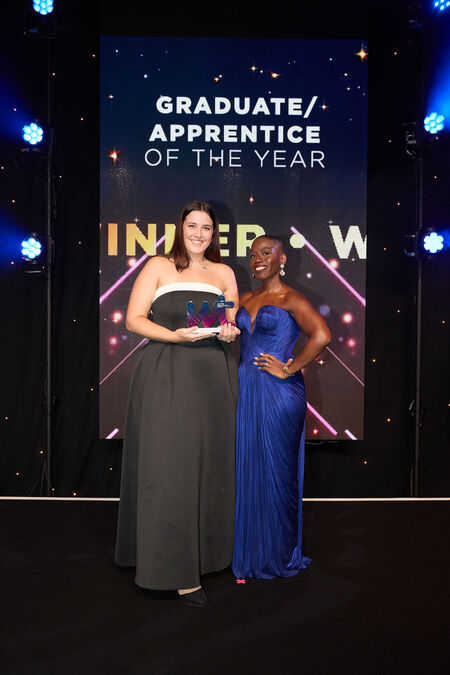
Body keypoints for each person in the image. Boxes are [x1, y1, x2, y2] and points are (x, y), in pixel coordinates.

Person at [115, 200, 239, 607]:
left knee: (208, 466)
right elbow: (133, 319)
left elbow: (228, 320)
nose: (199, 233)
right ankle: (173, 570)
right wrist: (174, 336)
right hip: (167, 369)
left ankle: (207, 558)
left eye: (206, 227)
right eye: (192, 225)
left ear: (214, 233)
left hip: (213, 377)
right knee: (170, 467)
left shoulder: (224, 273)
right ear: (179, 228)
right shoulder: (158, 265)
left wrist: (228, 330)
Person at [232, 235, 331, 580]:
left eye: (266, 253)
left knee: (277, 472)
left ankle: (278, 553)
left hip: (280, 394)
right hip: (246, 391)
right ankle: (251, 552)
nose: (258, 259)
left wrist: (289, 368)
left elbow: (322, 336)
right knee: (249, 470)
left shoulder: (292, 298)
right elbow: (217, 327)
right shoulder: (245, 299)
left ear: (282, 259)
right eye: (253, 255)